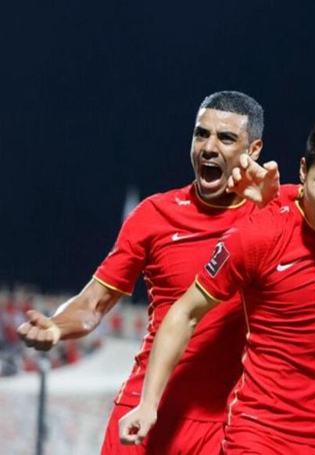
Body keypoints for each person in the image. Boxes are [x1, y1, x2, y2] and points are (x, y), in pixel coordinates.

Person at [16, 91, 278, 454]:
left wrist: (272, 207)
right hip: (142, 412)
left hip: (225, 424)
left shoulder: (274, 218)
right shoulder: (155, 215)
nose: (208, 147)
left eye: (226, 137)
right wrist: (56, 326)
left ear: (254, 149)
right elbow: (93, 304)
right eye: (201, 134)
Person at [119, 115, 315, 454]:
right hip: (259, 432)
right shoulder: (260, 233)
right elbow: (185, 313)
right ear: (303, 171)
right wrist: (148, 403)